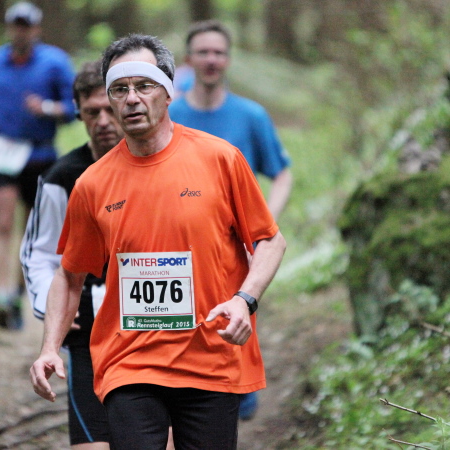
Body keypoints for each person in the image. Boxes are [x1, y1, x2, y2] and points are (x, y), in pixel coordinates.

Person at [30, 34, 286, 450]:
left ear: (168, 92)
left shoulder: (220, 159)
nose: (131, 99)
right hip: (129, 362)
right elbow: (70, 275)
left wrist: (245, 300)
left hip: (211, 357)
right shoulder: (92, 184)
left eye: (143, 85)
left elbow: (270, 241)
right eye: (119, 89)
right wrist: (49, 348)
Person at [169, 19, 293, 420]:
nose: (211, 60)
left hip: (240, 247)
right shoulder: (171, 115)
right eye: (203, 52)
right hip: (182, 243)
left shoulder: (250, 115)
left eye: (219, 53)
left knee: (239, 310)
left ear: (228, 59)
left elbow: (281, 173)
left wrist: (265, 223)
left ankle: (241, 397)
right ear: (189, 59)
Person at [20, 60, 122, 449]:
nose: (103, 121)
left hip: (151, 323)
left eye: (109, 109)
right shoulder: (63, 175)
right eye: (92, 112)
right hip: (88, 324)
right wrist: (53, 309)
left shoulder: (156, 166)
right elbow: (39, 253)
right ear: (78, 113)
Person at [0, 2, 75, 329]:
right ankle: (1, 294)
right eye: (16, 25)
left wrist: (46, 108)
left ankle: (17, 292)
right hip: (2, 152)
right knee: (3, 221)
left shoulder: (55, 63)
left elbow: (73, 108)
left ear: (36, 29)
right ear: (9, 28)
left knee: (31, 230)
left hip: (40, 155)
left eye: (26, 26)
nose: (21, 31)